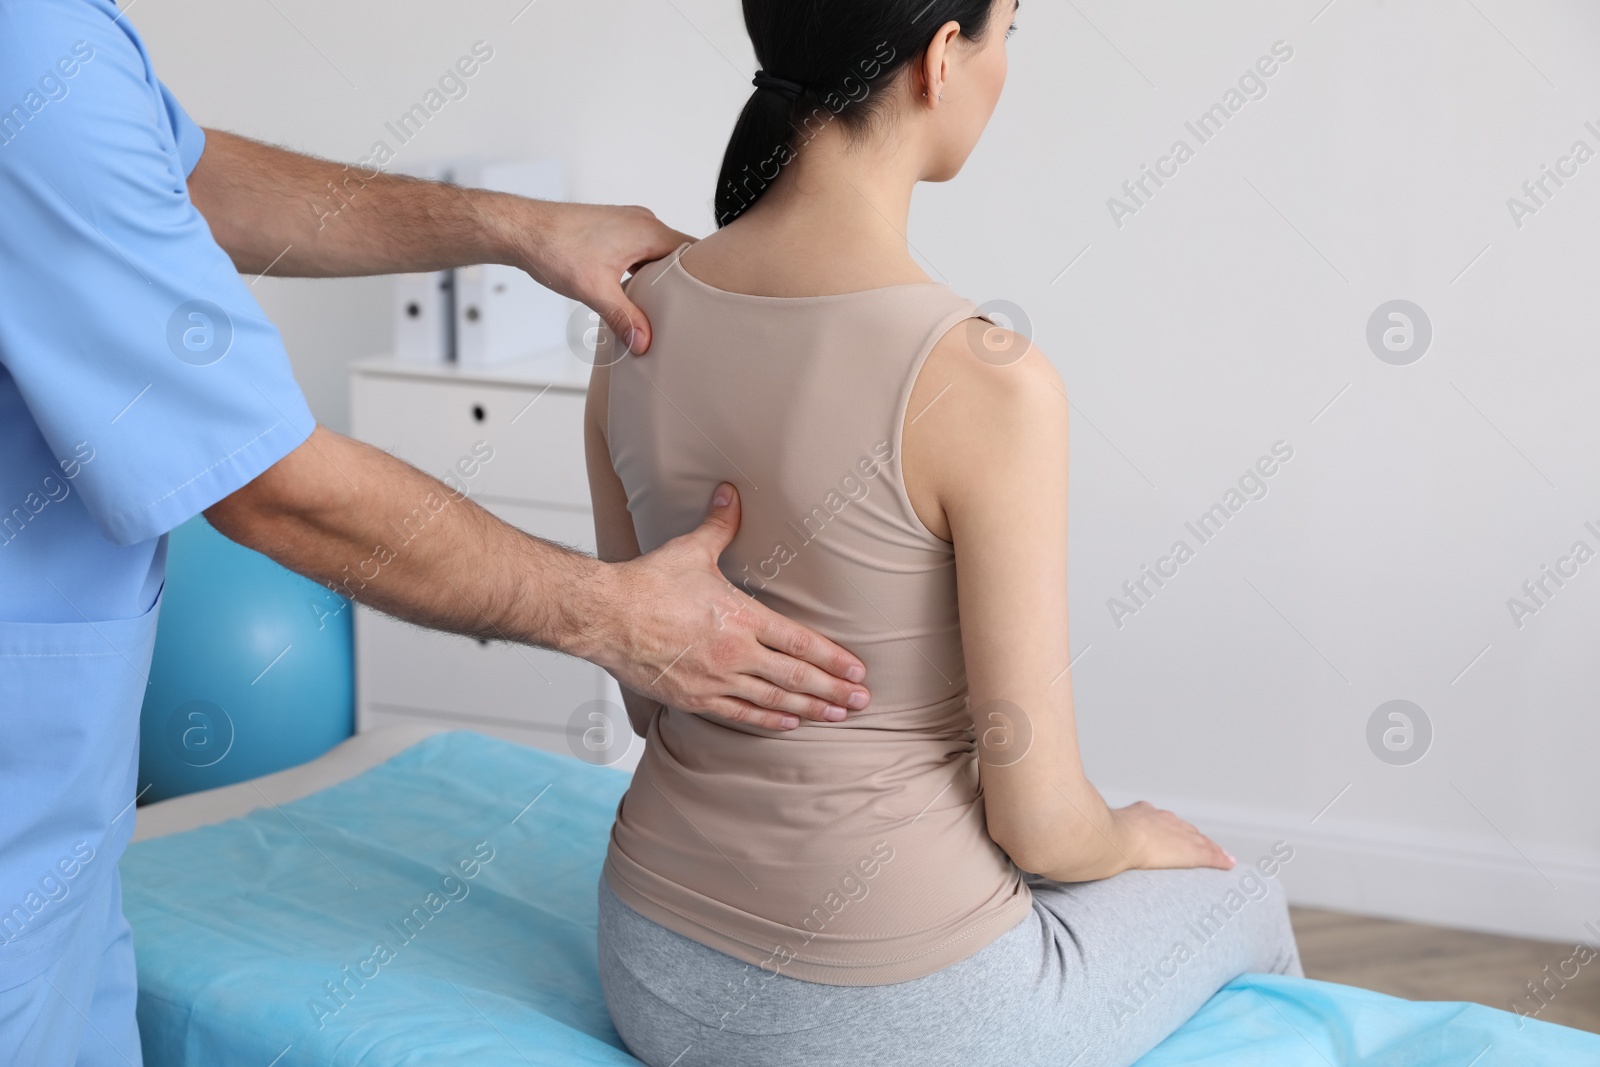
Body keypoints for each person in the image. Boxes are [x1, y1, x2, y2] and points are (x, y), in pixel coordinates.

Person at [0, 1, 877, 1062]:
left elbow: (172, 173)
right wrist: (617, 618)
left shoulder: (58, 47)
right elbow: (272, 488)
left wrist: (511, 224)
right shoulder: (29, 53)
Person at [584, 2, 1304, 1065]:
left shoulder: (631, 314)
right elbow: (1040, 821)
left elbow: (648, 699)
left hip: (649, 964)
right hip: (895, 1009)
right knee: (1242, 897)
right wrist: (1133, 837)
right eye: (1007, 28)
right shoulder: (985, 378)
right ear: (940, 58)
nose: (1004, 62)